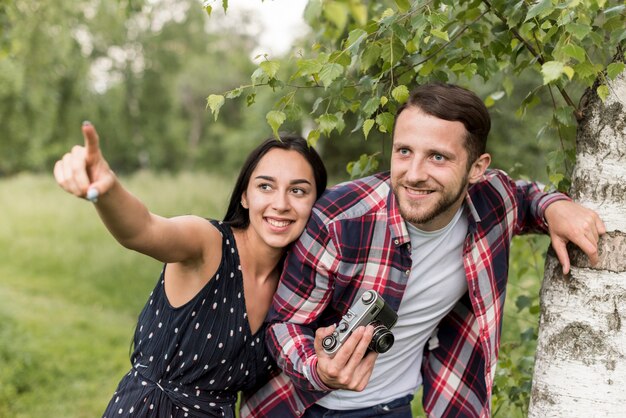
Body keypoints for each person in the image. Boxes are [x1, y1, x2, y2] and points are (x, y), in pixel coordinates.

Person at [241, 83, 606, 418]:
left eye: (438, 158)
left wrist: (555, 206)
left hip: (391, 405)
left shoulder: (494, 200)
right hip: (299, 406)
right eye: (404, 151)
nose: (414, 174)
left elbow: (525, 196)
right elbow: (286, 324)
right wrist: (319, 368)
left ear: (477, 168)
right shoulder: (339, 220)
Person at [53, 122, 327, 418]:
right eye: (265, 186)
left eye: (298, 191)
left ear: (315, 202)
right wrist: (107, 190)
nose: (281, 203)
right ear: (245, 196)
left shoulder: (296, 285)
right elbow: (143, 229)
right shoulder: (208, 244)